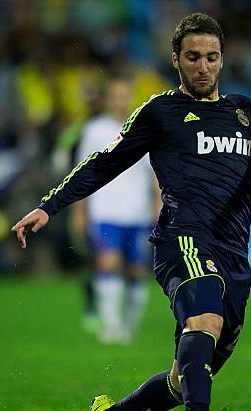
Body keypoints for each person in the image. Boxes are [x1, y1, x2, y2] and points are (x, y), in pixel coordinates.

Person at [12, 13, 251, 411]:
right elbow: (106, 162)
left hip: (234, 254)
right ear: (175, 59)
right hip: (182, 239)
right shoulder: (161, 112)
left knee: (184, 375)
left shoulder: (246, 112)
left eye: (211, 57)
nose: (203, 66)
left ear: (222, 60)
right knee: (205, 318)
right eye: (193, 57)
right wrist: (50, 206)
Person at [71, 78, 161, 344]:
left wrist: (159, 203)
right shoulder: (94, 130)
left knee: (136, 270)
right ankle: (111, 327)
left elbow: (156, 171)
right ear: (109, 99)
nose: (121, 100)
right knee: (108, 261)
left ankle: (129, 329)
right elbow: (82, 173)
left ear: (131, 98)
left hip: (137, 213)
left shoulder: (144, 129)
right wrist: (79, 212)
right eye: (116, 96)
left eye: (125, 95)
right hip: (105, 211)